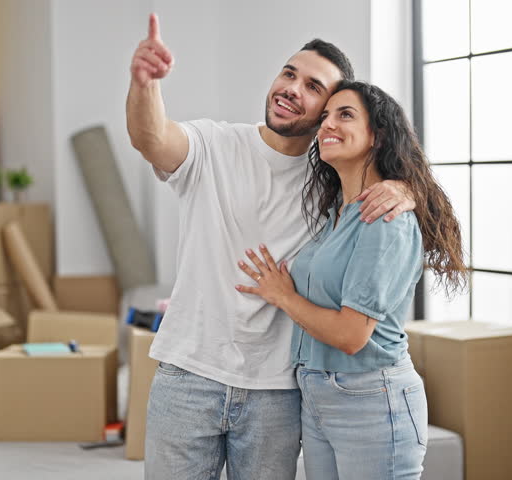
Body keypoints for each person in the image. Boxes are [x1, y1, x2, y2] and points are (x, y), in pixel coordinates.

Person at [127, 13, 416, 480]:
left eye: (312, 86)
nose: (291, 88)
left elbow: (384, 182)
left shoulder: (330, 179)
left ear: (326, 113)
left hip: (277, 391)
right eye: (288, 73)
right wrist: (144, 84)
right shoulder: (213, 145)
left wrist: (407, 190)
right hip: (188, 375)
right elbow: (152, 137)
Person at [236, 81, 467, 479]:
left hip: (371, 397)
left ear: (377, 136)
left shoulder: (384, 219)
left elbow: (351, 335)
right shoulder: (334, 216)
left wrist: (283, 296)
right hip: (317, 394)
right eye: (325, 116)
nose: (328, 124)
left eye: (345, 114)